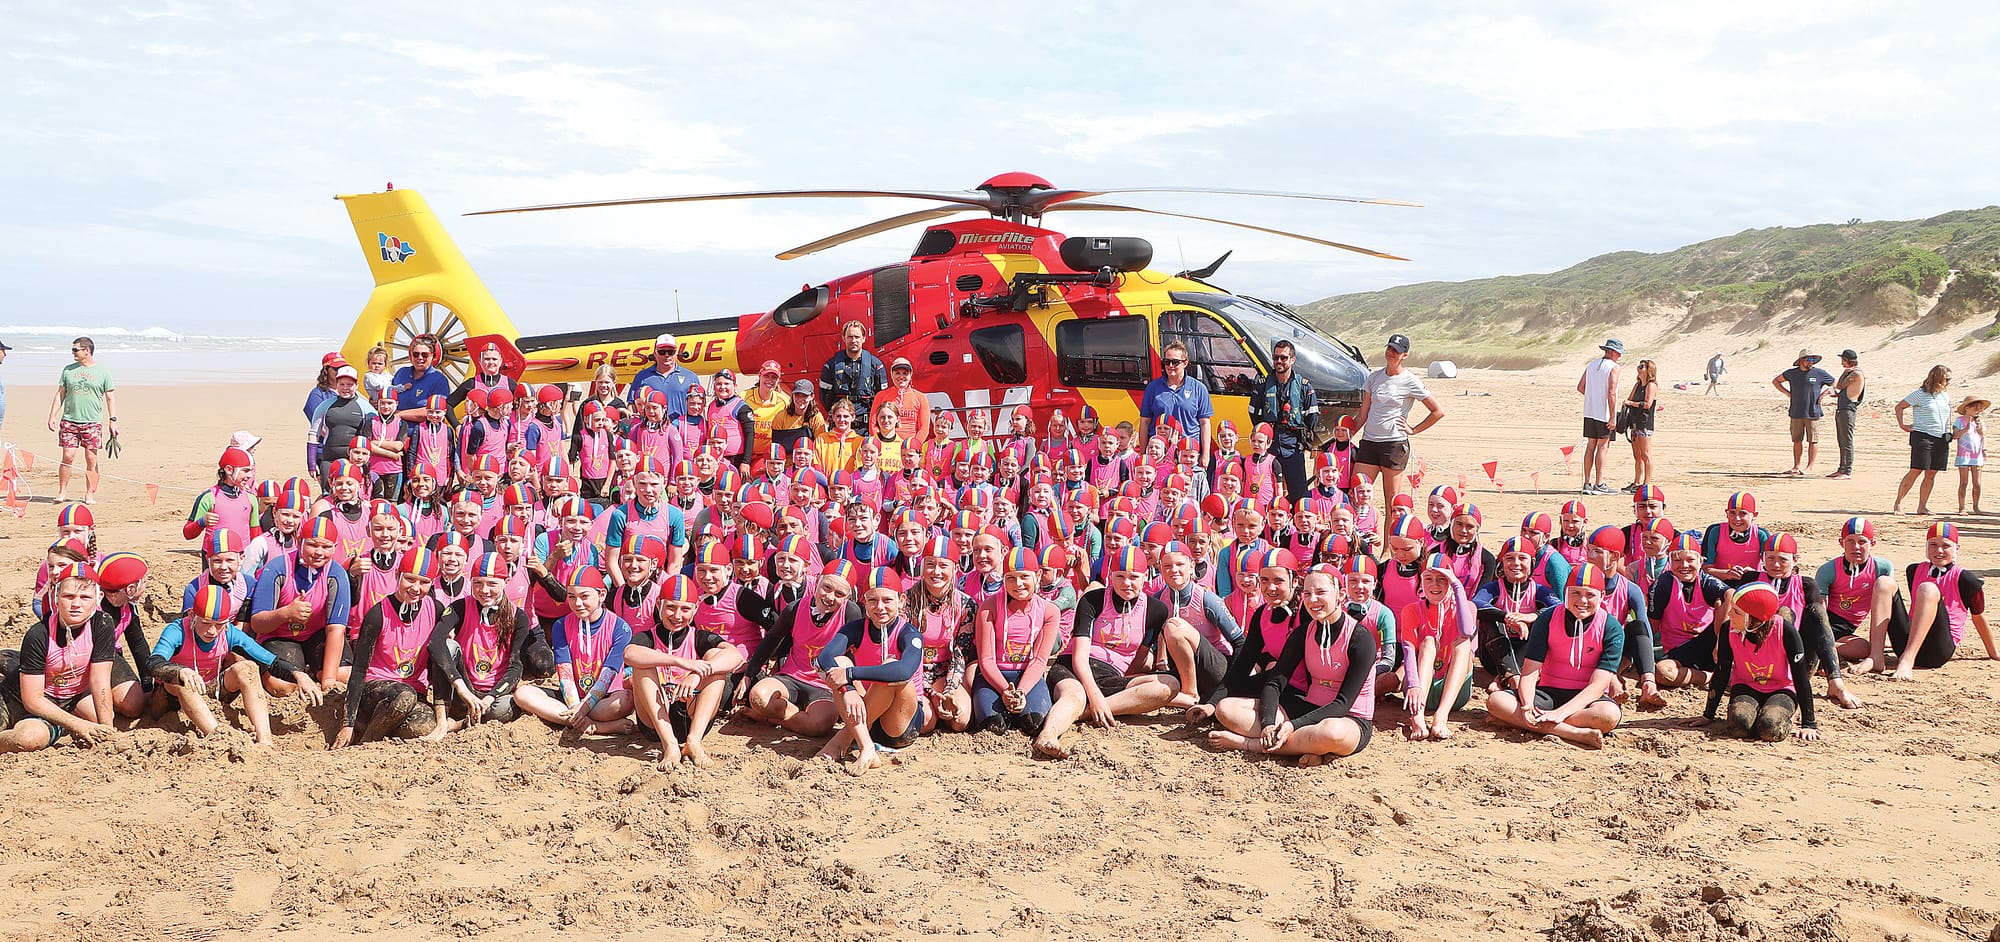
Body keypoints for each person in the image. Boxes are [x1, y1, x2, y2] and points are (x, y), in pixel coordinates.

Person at [1206, 569, 1376, 765]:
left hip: (1348, 719)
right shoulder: (1303, 633)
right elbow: (1274, 683)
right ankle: (1304, 747)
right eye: (1307, 594)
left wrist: (1292, 726)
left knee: (1330, 733)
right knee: (1226, 708)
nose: (1313, 600)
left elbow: (1343, 703)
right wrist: (1269, 723)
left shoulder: (1360, 639)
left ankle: (1248, 744)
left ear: (1341, 595)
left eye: (1321, 593)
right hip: (1306, 710)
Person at [146, 585, 324, 744]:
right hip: (170, 699)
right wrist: (180, 671)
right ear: (192, 615)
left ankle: (265, 740)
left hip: (210, 689)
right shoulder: (177, 630)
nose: (211, 631)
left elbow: (269, 660)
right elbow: (153, 663)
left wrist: (297, 674)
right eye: (205, 623)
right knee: (185, 681)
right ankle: (219, 738)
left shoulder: (228, 632)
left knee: (248, 668)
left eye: (219, 625)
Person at [1484, 563, 1624, 749]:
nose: (1582, 601)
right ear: (1565, 592)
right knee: (1496, 701)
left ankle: (1523, 722)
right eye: (1576, 593)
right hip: (1547, 692)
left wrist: (1560, 713)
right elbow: (1530, 672)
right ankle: (1572, 732)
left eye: (1590, 595)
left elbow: (1598, 686)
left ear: (1602, 596)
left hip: (1586, 699)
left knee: (1608, 715)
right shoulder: (1548, 618)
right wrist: (1526, 705)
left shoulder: (1611, 627)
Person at [336, 549, 452, 747]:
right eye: (410, 579)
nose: (416, 588)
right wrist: (348, 723)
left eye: (424, 582)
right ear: (397, 576)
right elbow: (359, 670)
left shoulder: (436, 609)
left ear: (432, 583)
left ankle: (378, 725)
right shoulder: (377, 614)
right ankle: (366, 741)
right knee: (404, 695)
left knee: (422, 727)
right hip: (376, 688)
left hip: (414, 691)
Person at [814, 568, 925, 775]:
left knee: (890, 666)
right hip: (867, 716)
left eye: (887, 600)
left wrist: (850, 675)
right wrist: (848, 689)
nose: (879, 607)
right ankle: (867, 747)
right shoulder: (856, 628)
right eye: (872, 600)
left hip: (899, 725)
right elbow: (825, 658)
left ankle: (841, 741)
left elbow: (903, 671)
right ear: (864, 602)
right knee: (840, 661)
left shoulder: (908, 633)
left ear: (901, 601)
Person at [1694, 582, 1819, 742]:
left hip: (1781, 689)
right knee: (1739, 726)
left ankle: (1781, 714)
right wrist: (1708, 715)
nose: (1730, 614)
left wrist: (1809, 723)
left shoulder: (1785, 630)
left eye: (1736, 612)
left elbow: (1800, 677)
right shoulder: (1729, 629)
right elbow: (1722, 671)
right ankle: (1758, 713)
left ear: (1755, 619)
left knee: (1770, 729)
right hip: (1746, 686)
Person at [1351, 333, 1443, 523]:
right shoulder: (1374, 377)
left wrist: (1413, 429)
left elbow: (1437, 411)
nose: (1391, 353)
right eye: (1390, 348)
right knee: (1355, 494)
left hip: (1393, 445)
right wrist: (1345, 436)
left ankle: (1388, 549)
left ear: (1405, 355)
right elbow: (1362, 415)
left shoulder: (1410, 380)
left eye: (1397, 351)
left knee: (1392, 502)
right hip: (1369, 442)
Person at [1891, 522, 1996, 680]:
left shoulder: (1966, 579)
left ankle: (1908, 660)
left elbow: (1978, 617)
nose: (1939, 550)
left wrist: (1993, 653)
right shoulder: (1913, 570)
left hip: (1938, 651)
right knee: (1885, 583)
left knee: (1927, 588)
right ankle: (1875, 656)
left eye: (1945, 545)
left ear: (1956, 549)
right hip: (1904, 645)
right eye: (1933, 545)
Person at [1248, 339, 1322, 504]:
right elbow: (1253, 414)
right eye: (1276, 358)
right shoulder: (1262, 386)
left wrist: (1304, 437)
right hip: (1269, 448)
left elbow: (1312, 416)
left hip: (1293, 447)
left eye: (1283, 357)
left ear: (1292, 360)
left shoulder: (1304, 387)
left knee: (1299, 495)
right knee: (1267, 492)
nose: (1279, 361)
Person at [47, 336, 116, 505]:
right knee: (68, 456)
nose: (73, 353)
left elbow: (110, 397)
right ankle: (62, 492)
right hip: (70, 420)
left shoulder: (102, 372)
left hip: (92, 421)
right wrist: (52, 415)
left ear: (87, 350)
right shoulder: (68, 370)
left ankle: (89, 494)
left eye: (75, 350)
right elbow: (60, 394)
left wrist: (113, 420)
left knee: (91, 459)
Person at [1893, 365, 1954, 515]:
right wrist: (1903, 425)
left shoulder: (1945, 395)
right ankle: (1898, 503)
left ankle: (1922, 506)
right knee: (1916, 470)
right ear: (1938, 378)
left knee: (1932, 473)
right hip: (1923, 435)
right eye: (1947, 378)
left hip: (1941, 437)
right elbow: (1899, 407)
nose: (1949, 382)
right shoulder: (1920, 394)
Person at [1140, 340, 1214, 464]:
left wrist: (1205, 455)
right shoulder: (1153, 388)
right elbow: (1145, 422)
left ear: (1185, 363)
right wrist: (1143, 452)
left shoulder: (1198, 388)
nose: (1170, 365)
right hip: (1159, 453)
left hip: (1187, 452)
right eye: (1166, 362)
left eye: (1175, 362)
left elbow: (1204, 423)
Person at [1772, 349, 1835, 476]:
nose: (1811, 362)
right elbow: (1776, 381)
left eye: (1813, 359)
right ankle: (1796, 466)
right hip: (1796, 411)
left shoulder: (1819, 373)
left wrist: (1825, 394)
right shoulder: (1791, 373)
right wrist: (1787, 393)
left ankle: (1810, 467)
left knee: (1813, 440)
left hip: (1813, 411)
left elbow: (1835, 383)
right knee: (1797, 440)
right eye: (1809, 359)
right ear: (1801, 360)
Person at [818, 321, 888, 432]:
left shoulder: (876, 365)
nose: (853, 340)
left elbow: (882, 396)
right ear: (843, 338)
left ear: (864, 338)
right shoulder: (830, 365)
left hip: (865, 428)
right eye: (850, 337)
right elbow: (824, 396)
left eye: (857, 337)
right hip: (840, 424)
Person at [310, 366, 370, 487]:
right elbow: (313, 434)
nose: (345, 388)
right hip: (329, 460)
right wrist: (311, 462)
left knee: (351, 494)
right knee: (328, 494)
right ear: (336, 384)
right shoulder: (325, 406)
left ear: (357, 385)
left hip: (355, 461)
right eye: (341, 384)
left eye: (349, 384)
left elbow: (370, 438)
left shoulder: (365, 408)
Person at [1577, 338, 1623, 495]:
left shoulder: (1592, 364)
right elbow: (1611, 392)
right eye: (1619, 353)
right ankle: (1599, 483)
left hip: (1589, 411)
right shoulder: (1614, 367)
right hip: (1603, 413)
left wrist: (1593, 397)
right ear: (1614, 352)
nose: (1620, 356)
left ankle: (1587, 483)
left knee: (1591, 446)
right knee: (1603, 446)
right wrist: (1612, 416)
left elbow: (1581, 387)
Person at [626, 334, 698, 422]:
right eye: (662, 352)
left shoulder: (690, 377)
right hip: (652, 431)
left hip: (682, 431)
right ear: (655, 353)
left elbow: (699, 405)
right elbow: (632, 404)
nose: (667, 355)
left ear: (676, 353)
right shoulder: (642, 377)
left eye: (671, 352)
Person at [871, 357, 932, 447]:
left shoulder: (921, 398)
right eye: (897, 373)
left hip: (910, 449)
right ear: (891, 374)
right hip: (886, 446)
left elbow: (924, 428)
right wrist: (880, 443)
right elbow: (873, 424)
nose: (901, 377)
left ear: (910, 375)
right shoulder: (881, 396)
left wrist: (913, 446)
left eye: (905, 373)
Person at [390, 335, 452, 422]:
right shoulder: (401, 373)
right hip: (395, 430)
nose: (420, 358)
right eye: (416, 354)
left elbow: (436, 412)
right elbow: (389, 396)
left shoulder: (439, 380)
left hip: (422, 432)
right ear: (411, 355)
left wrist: (399, 414)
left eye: (424, 355)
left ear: (432, 356)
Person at [1620, 358, 1658, 492]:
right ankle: (1637, 482)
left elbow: (1647, 404)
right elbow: (1629, 399)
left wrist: (1631, 404)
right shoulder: (1637, 385)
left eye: (1642, 366)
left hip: (1645, 423)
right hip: (1634, 422)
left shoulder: (1651, 386)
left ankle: (1646, 483)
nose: (1639, 368)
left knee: (1646, 454)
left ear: (1649, 370)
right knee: (1637, 455)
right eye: (1639, 366)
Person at [1829, 349, 1865, 480]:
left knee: (1847, 441)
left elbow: (1840, 384)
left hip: (1848, 410)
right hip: (1842, 409)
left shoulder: (1856, 374)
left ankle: (1847, 470)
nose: (1841, 363)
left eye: (1843, 360)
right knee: (1841, 440)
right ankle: (1841, 468)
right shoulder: (1851, 372)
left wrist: (1845, 373)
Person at [305, 351, 343, 470]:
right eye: (336, 369)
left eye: (342, 368)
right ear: (326, 371)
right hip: (325, 450)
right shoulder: (317, 395)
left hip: (346, 450)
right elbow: (319, 428)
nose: (339, 372)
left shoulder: (348, 392)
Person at [1953, 396, 1987, 515]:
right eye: (1975, 408)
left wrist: (1984, 449)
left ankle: (1976, 506)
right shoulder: (1959, 421)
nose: (1977, 411)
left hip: (1977, 455)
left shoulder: (1979, 422)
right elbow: (1955, 436)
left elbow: (1983, 437)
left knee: (1977, 483)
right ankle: (1961, 507)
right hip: (1964, 455)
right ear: (1967, 408)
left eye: (1979, 409)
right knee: (1964, 482)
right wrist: (1966, 428)